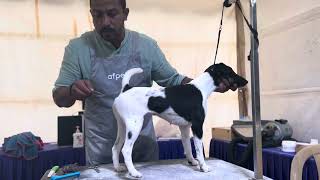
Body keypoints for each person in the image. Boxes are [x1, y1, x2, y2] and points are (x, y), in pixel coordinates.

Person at [53, 0, 233, 165]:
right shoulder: (77, 48)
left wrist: (209, 84)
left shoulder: (146, 46)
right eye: (97, 15)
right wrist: (71, 90)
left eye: (112, 13)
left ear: (126, 13)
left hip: (145, 151)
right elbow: (59, 97)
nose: (105, 22)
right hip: (101, 151)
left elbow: (173, 80)